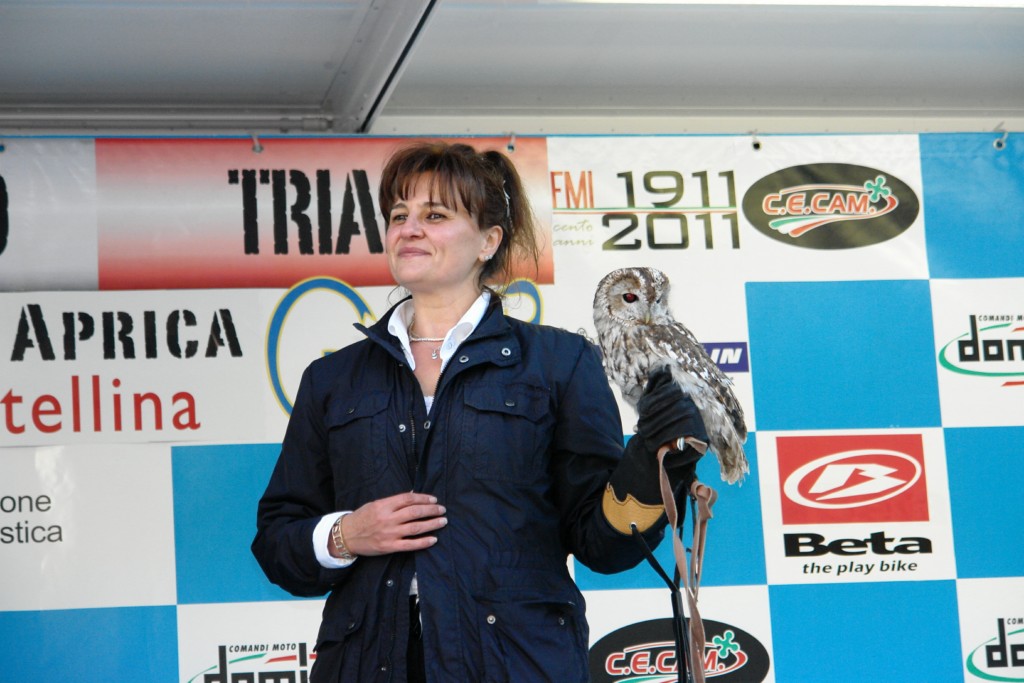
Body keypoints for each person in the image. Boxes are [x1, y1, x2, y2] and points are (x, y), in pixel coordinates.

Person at [251, 141, 707, 683]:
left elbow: (601, 544)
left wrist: (655, 463)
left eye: (434, 216)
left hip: (516, 666)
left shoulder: (559, 362)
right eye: (398, 215)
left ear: (489, 241)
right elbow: (276, 542)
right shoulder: (332, 378)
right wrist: (346, 535)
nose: (408, 229)